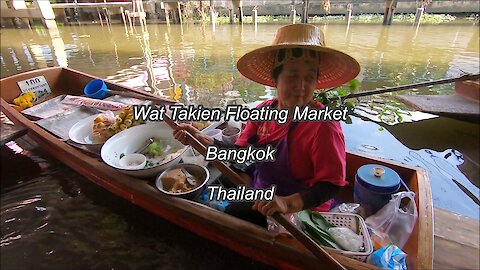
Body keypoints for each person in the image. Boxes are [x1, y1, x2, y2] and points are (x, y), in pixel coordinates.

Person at [173, 24, 360, 226]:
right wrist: (197, 138)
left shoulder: (324, 125)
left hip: (299, 209)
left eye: (309, 77)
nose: (301, 86)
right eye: (293, 75)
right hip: (263, 188)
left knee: (228, 215)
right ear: (275, 79)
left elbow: (330, 186)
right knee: (220, 181)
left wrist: (287, 204)